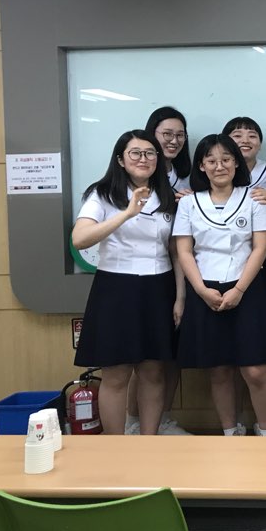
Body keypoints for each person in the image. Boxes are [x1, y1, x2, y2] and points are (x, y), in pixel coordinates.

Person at [173, 133, 266, 436]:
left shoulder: (254, 198)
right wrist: (200, 290)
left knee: (255, 369)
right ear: (201, 166)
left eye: (226, 159)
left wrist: (239, 290)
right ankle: (230, 433)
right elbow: (184, 251)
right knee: (219, 369)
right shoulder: (189, 203)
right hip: (204, 288)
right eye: (211, 161)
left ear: (236, 163)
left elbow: (260, 247)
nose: (219, 166)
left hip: (247, 288)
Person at [72, 130, 177, 434]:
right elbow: (80, 238)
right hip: (115, 289)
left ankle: (148, 441)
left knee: (153, 371)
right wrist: (127, 213)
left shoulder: (167, 196)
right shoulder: (102, 194)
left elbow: (175, 250)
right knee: (116, 374)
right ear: (120, 159)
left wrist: (180, 297)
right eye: (135, 153)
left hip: (158, 287)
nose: (144, 159)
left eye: (150, 153)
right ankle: (116, 447)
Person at [125, 106, 192, 436]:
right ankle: (132, 421)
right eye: (167, 134)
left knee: (171, 353)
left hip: (179, 271)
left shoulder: (187, 176)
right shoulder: (135, 178)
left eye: (180, 135)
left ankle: (161, 419)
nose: (173, 141)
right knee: (143, 357)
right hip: (136, 276)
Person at [222, 116, 266, 337]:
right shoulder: (218, 170)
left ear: (260, 144)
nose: (245, 140)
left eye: (252, 136)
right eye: (237, 135)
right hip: (230, 253)